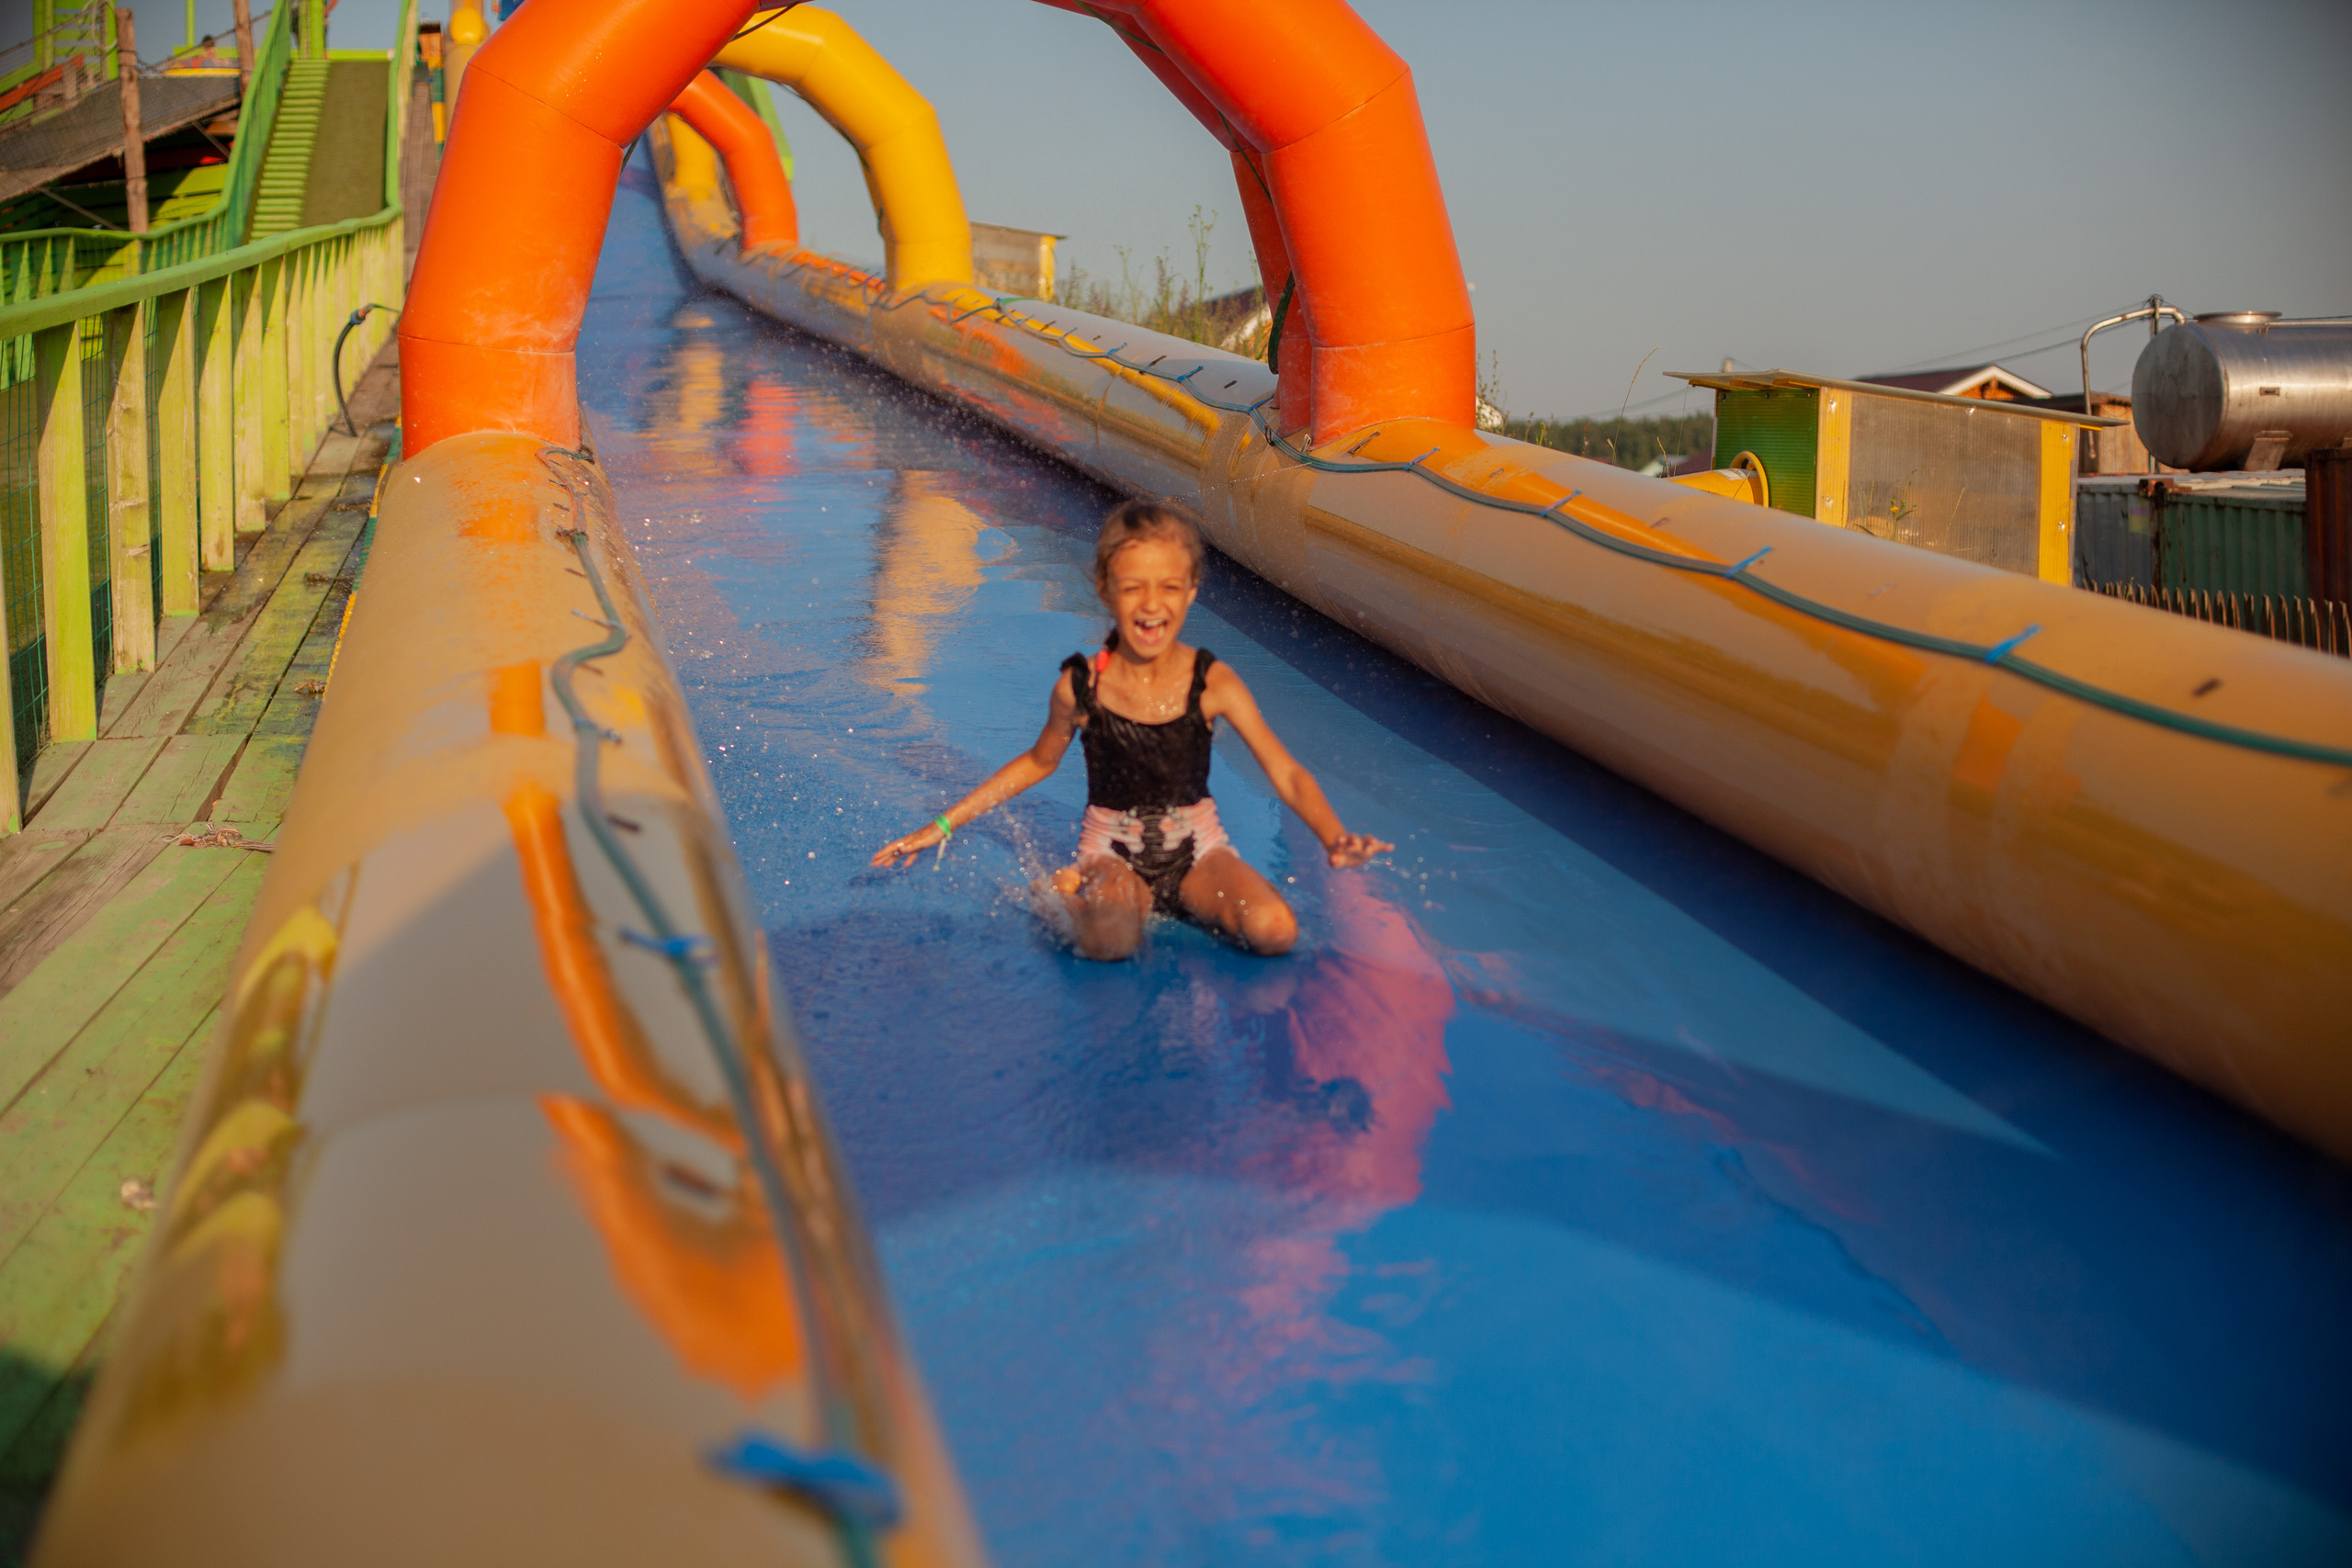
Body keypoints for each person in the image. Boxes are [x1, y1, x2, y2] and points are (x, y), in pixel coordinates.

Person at [872, 501, 1390, 960]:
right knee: (1111, 942)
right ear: (1104, 589)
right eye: (1132, 586)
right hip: (1113, 855)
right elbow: (1038, 762)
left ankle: (1122, 897)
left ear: (1191, 592)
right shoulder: (1081, 686)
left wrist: (1333, 836)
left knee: (1275, 930)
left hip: (1199, 853)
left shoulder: (1214, 683)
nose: (1151, 604)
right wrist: (940, 827)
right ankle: (1058, 896)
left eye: (1169, 587)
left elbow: (1286, 772)